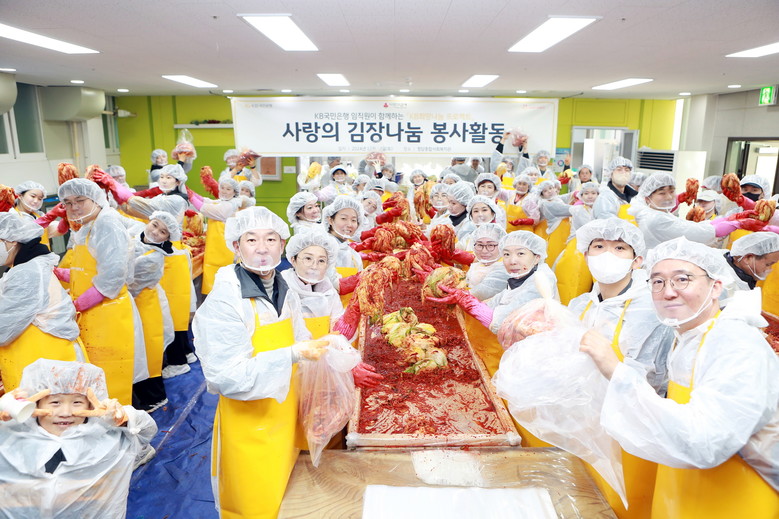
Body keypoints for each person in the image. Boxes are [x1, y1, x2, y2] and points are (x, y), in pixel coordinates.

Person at [581, 237, 779, 518]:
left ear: (716, 286)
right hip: (681, 497)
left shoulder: (735, 342)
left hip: (735, 501)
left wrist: (617, 371)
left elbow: (704, 442)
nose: (668, 292)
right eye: (658, 282)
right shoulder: (688, 337)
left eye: (682, 279)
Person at [192, 206, 332, 519]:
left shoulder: (283, 288)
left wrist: (327, 352)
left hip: (285, 414)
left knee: (285, 494)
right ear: (236, 246)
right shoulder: (226, 298)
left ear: (282, 246)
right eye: (251, 240)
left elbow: (301, 335)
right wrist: (291, 354)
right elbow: (227, 376)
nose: (262, 248)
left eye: (271, 239)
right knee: (255, 504)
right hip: (250, 425)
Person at [0, 359, 157, 519]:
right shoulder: (13, 437)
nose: (65, 412)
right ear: (36, 404)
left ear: (90, 405)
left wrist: (123, 417)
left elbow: (147, 430)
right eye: (55, 402)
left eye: (77, 402)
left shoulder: (109, 439)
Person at [55, 178, 144, 405]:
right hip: (94, 312)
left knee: (111, 379)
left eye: (80, 200)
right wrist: (59, 273)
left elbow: (111, 278)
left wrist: (76, 306)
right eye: (67, 202)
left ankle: (120, 423)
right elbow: (89, 269)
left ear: (96, 199)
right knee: (96, 379)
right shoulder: (89, 225)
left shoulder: (107, 224)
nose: (74, 207)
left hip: (108, 312)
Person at [0, 213, 83, 391]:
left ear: (11, 240)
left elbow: (3, 329)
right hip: (42, 358)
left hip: (46, 359)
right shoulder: (24, 268)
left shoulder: (27, 273)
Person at [128, 212, 177, 412]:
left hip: (144, 304)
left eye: (163, 232)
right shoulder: (136, 232)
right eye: (155, 225)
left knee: (147, 353)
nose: (155, 232)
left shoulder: (154, 258)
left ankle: (154, 397)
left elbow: (127, 280)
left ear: (167, 238)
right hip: (135, 302)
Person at [628, 173, 751, 249]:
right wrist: (734, 224)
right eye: (662, 193)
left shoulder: (658, 213)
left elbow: (685, 225)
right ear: (647, 197)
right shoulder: (655, 219)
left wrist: (727, 219)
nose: (669, 197)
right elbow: (694, 232)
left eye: (672, 191)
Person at [189, 177, 252, 295]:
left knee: (221, 280)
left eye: (228, 189)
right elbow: (207, 201)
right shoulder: (223, 202)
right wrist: (191, 193)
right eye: (222, 188)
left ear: (234, 192)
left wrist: (191, 197)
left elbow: (205, 208)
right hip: (216, 248)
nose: (224, 191)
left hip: (223, 251)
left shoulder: (229, 206)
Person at [321, 196, 364, 296]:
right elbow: (329, 284)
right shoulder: (322, 249)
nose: (349, 224)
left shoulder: (354, 255)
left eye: (354, 220)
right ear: (330, 220)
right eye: (344, 218)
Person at [465, 223, 509, 301]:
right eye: (480, 245)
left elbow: (482, 292)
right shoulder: (477, 264)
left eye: (491, 245)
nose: (484, 251)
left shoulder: (505, 268)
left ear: (501, 245)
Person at [11, 181, 53, 247]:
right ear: (20, 195)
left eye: (40, 199)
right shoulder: (12, 216)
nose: (36, 201)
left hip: (44, 252)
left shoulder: (39, 215)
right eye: (33, 196)